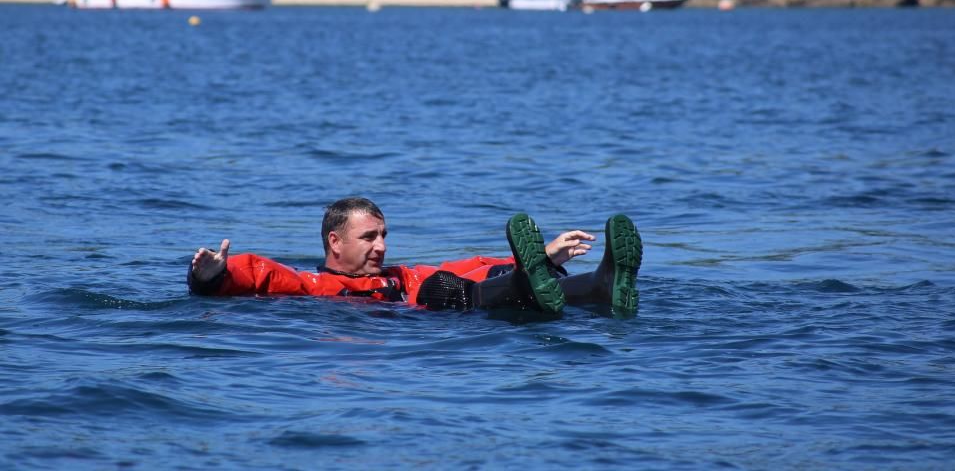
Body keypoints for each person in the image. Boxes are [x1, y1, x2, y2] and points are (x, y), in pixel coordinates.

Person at [188, 197, 642, 315]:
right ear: (334, 243)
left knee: (455, 277)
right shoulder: (317, 286)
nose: (382, 245)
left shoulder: (399, 275)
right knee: (439, 289)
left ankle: (602, 283)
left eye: (384, 234)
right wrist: (211, 277)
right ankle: (538, 282)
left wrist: (543, 253)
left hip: (471, 307)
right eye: (369, 237)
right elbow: (263, 274)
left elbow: (469, 266)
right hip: (438, 319)